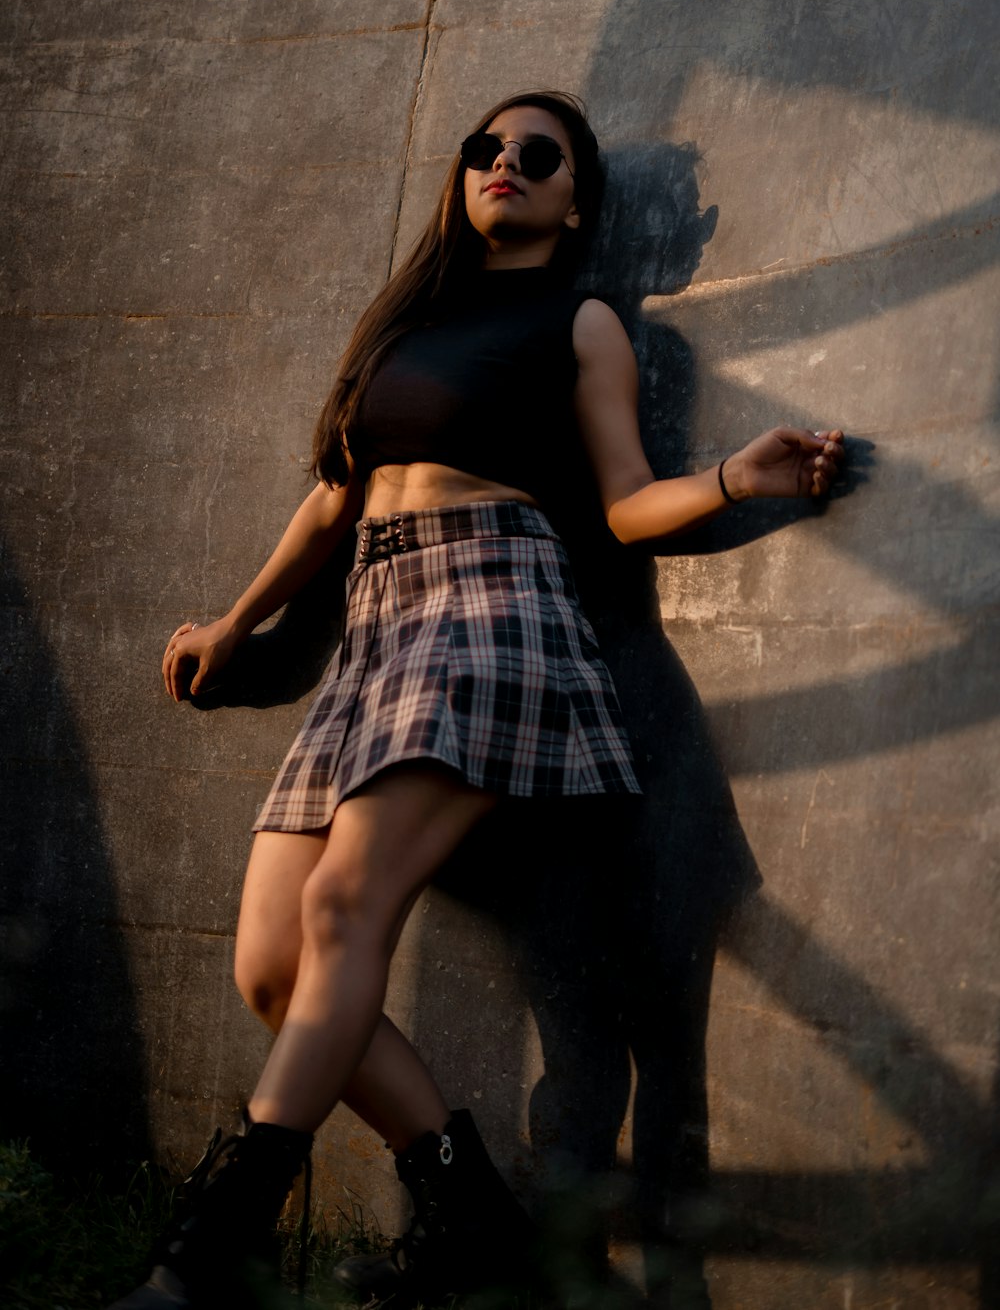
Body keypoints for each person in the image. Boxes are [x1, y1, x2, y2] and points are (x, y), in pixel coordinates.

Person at [109, 90, 845, 1310]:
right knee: (273, 970)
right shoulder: (410, 325)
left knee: (347, 910)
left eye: (536, 154)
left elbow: (620, 503)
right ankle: (472, 1221)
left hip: (491, 607)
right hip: (373, 630)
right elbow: (337, 498)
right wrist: (235, 624)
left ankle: (206, 1256)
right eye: (485, 149)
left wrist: (729, 477)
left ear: (572, 200)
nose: (504, 162)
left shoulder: (584, 319)